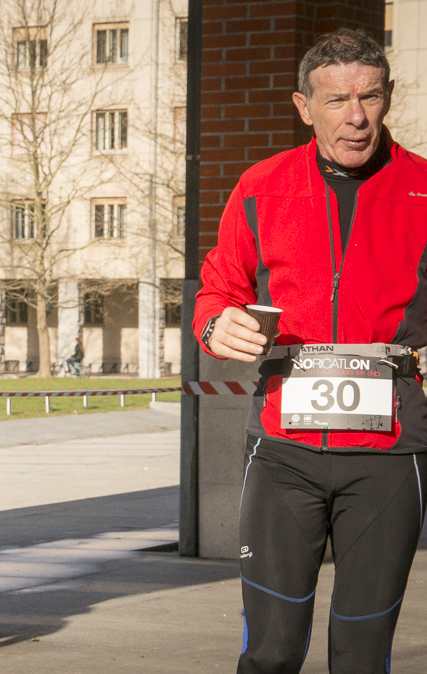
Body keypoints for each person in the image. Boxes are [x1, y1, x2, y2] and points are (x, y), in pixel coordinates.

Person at [195, 29, 427, 673]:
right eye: (336, 100)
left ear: (388, 97)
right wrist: (214, 326)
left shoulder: (423, 188)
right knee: (270, 653)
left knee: (361, 657)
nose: (356, 116)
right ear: (303, 106)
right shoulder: (260, 186)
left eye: (369, 96)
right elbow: (218, 290)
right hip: (282, 453)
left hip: (390, 454)